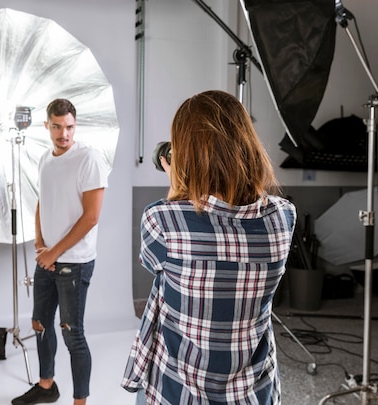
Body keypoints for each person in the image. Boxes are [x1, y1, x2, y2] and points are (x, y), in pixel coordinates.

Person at [121, 90, 296, 404]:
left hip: (177, 390)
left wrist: (178, 187)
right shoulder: (284, 216)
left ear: (184, 154)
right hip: (252, 391)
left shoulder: (161, 219)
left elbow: (153, 263)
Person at [12, 98, 109, 405]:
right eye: (56, 127)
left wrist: (54, 253)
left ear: (74, 125)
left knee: (72, 333)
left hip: (74, 262)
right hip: (48, 258)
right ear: (47, 126)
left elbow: (91, 217)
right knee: (39, 323)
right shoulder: (45, 159)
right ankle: (46, 386)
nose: (63, 134)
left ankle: (80, 402)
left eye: (68, 127)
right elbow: (42, 202)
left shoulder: (89, 158)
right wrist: (40, 243)